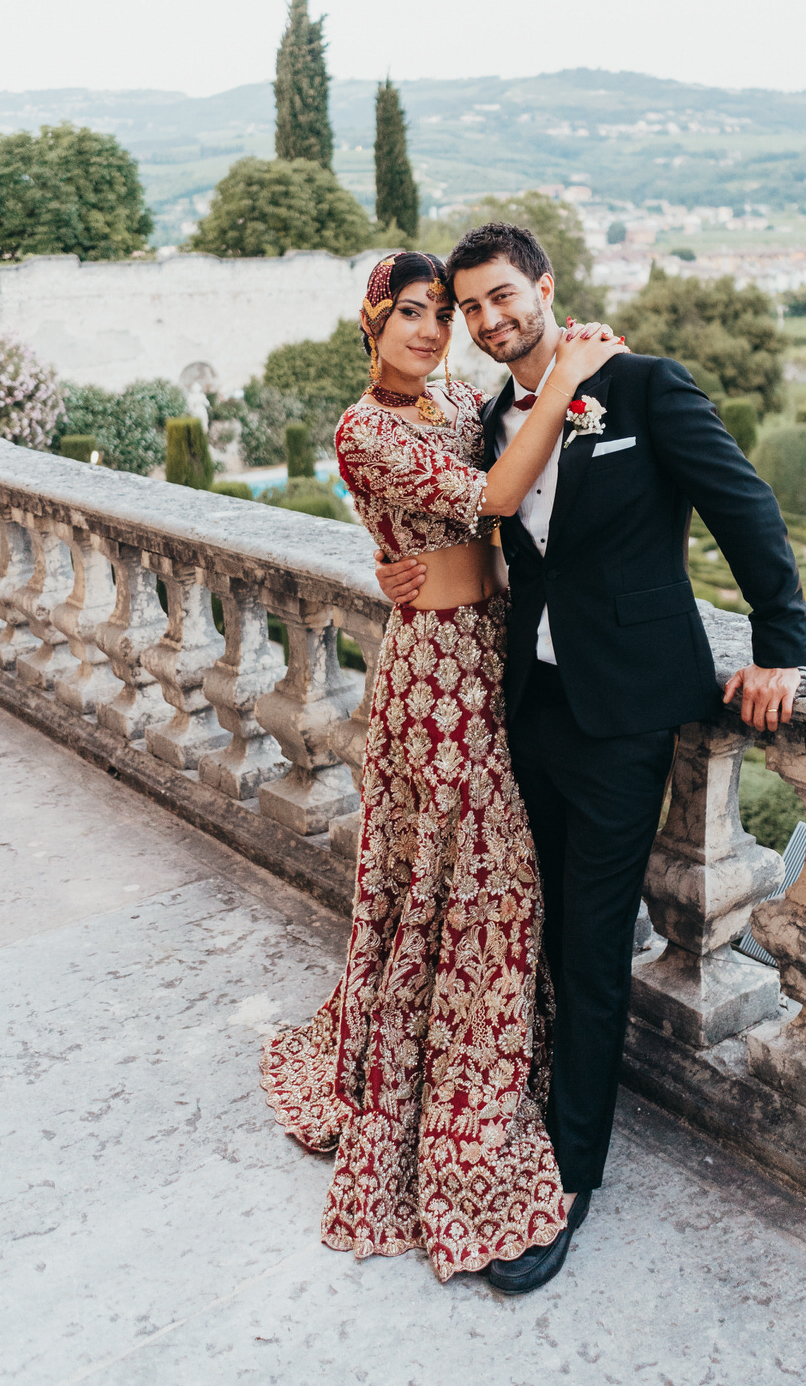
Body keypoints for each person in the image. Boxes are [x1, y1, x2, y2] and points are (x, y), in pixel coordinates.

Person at [375, 223, 806, 1294]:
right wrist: (420, 581)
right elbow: (487, 539)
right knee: (533, 927)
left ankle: (568, 1179)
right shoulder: (492, 416)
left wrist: (783, 650)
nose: (487, 320)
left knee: (589, 940)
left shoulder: (647, 387)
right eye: (470, 307)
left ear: (545, 288)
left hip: (625, 713)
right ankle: (524, 1115)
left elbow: (743, 506)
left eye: (501, 297)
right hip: (530, 706)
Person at [260, 249, 626, 1285]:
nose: (429, 329)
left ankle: (488, 1064)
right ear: (370, 328)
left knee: (465, 886)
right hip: (437, 681)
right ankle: (459, 1104)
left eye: (437, 313)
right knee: (486, 888)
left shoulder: (458, 394)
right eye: (408, 314)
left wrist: (573, 367)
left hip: (494, 655)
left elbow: (505, 501)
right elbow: (496, 493)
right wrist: (568, 381)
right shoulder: (365, 427)